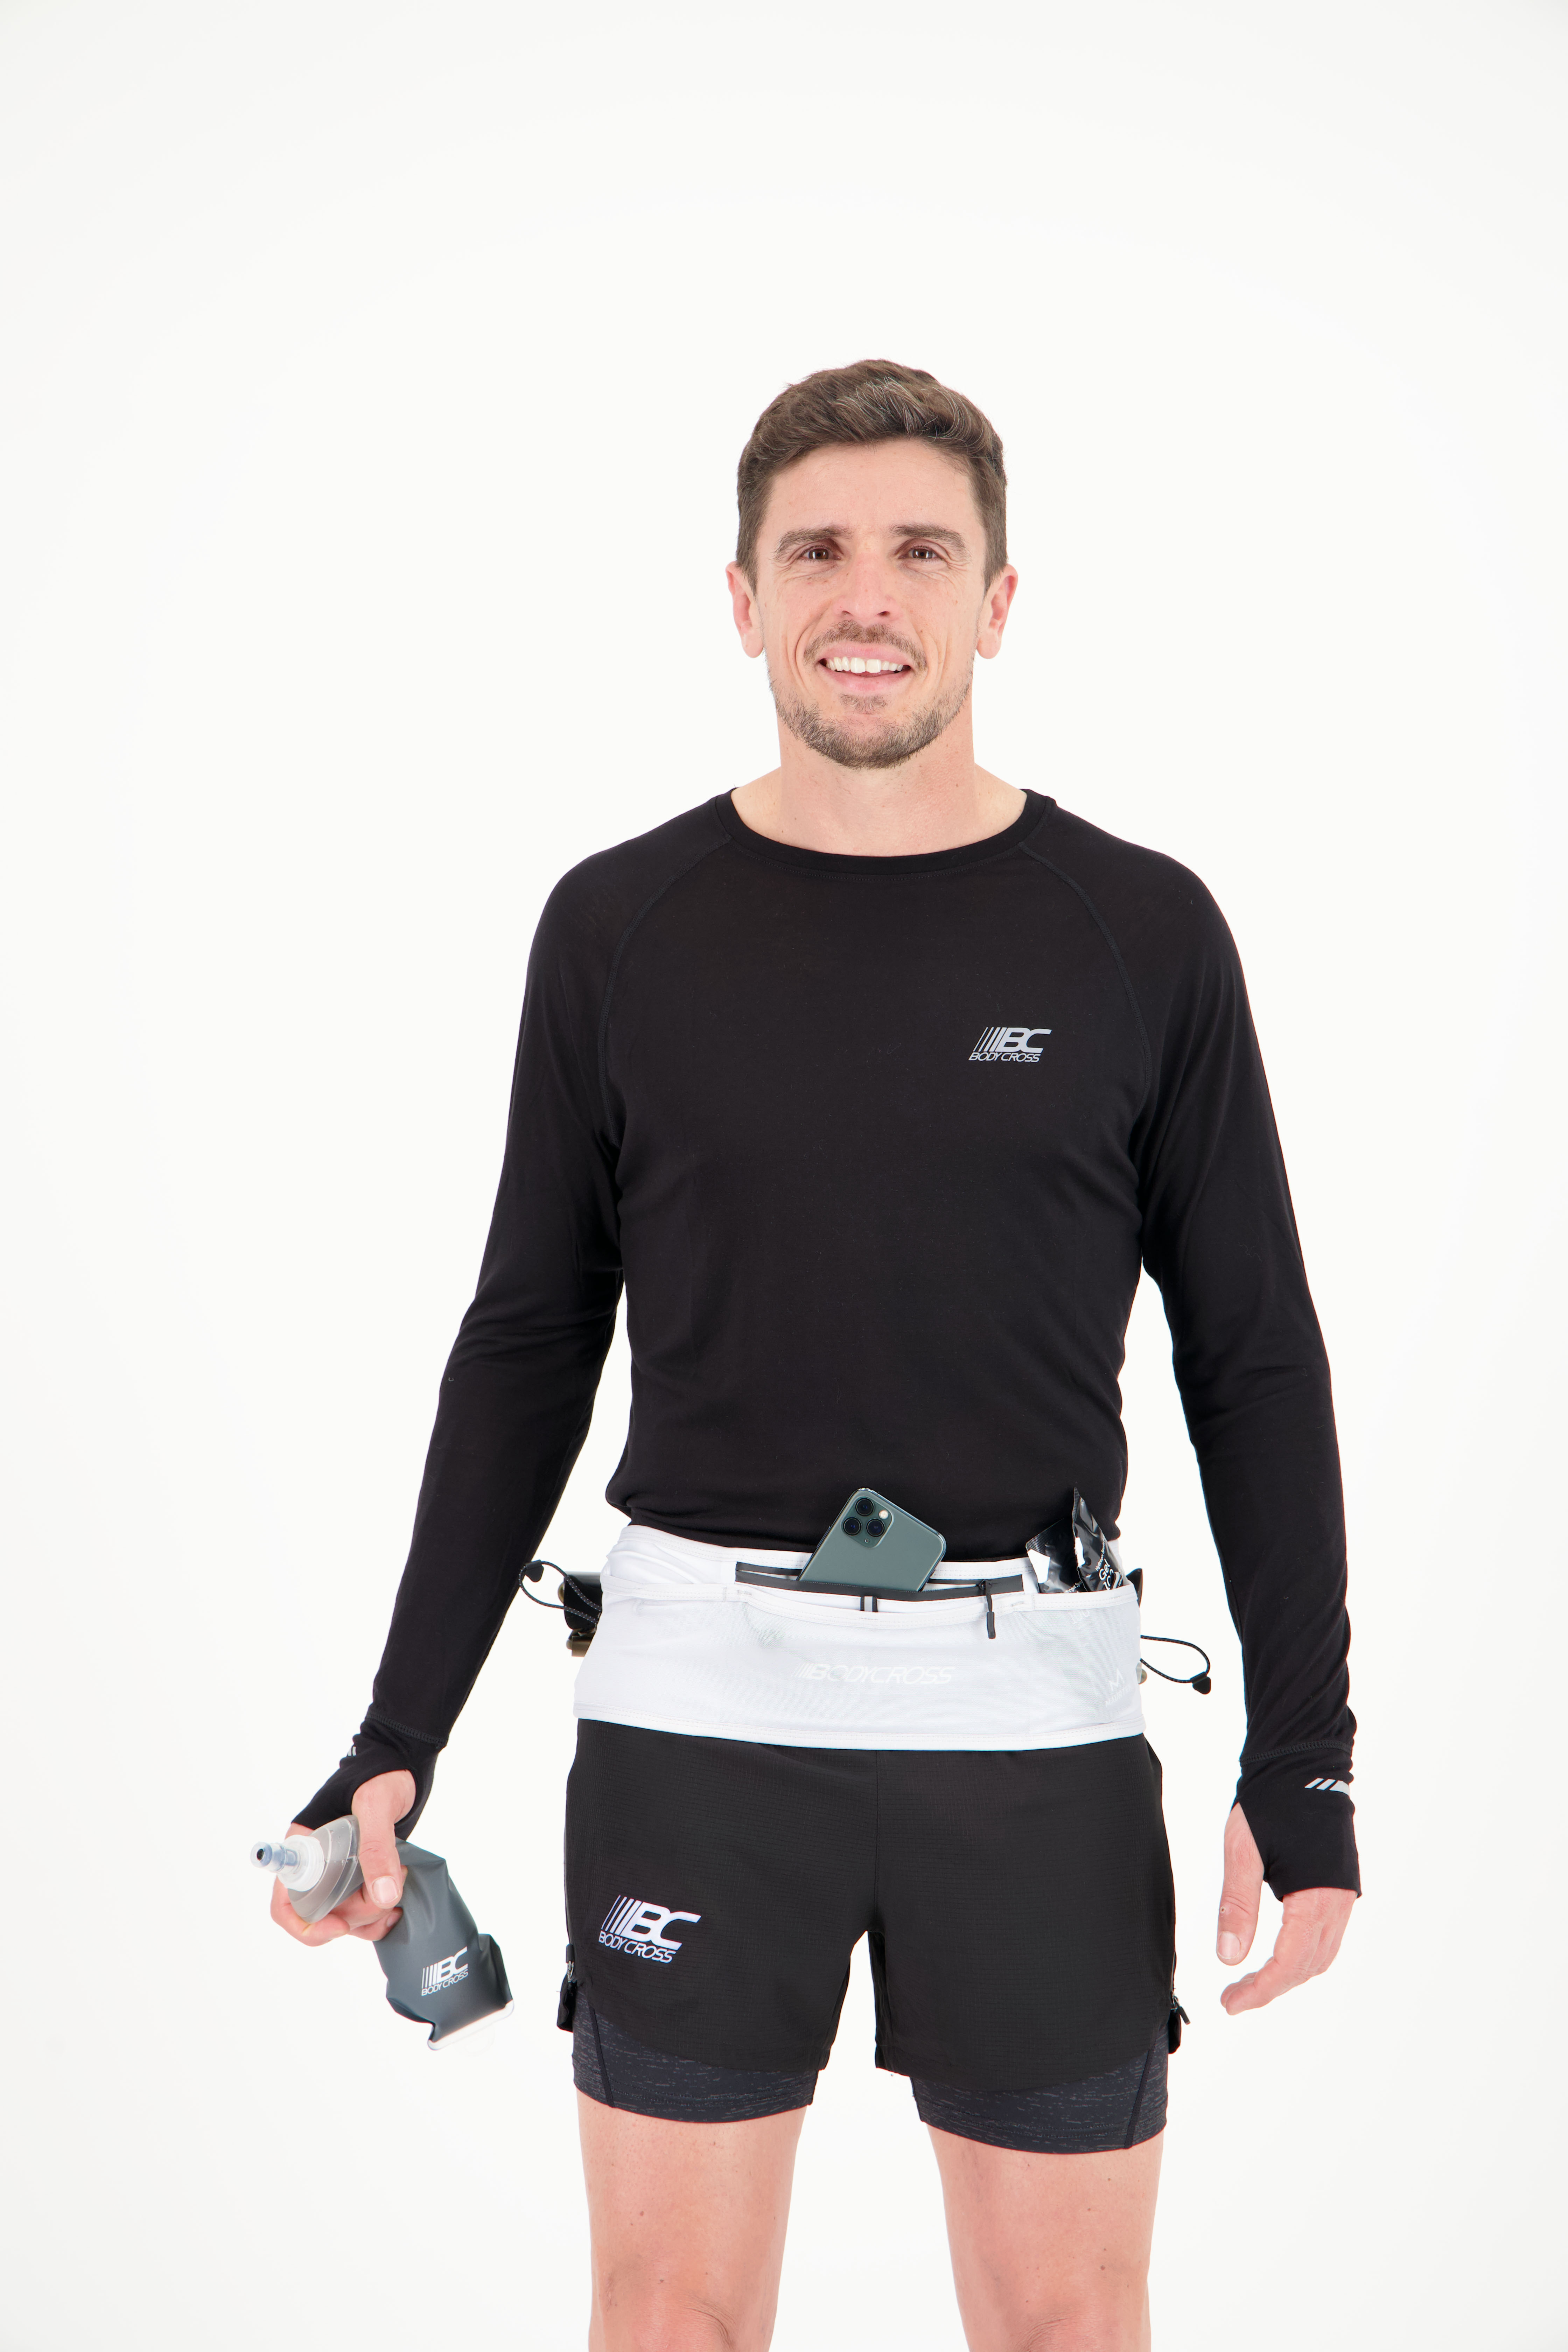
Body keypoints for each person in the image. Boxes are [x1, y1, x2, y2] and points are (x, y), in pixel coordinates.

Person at [270, 360, 1358, 2352]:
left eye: (922, 552)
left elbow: (1258, 1359)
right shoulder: (619, 927)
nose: (868, 596)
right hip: (698, 1723)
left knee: (1070, 2329)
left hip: (1036, 1733)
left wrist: (1306, 1759)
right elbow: (527, 1342)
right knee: (669, 2319)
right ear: (744, 598)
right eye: (819, 552)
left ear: (999, 602)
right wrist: (395, 1731)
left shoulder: (1140, 932)